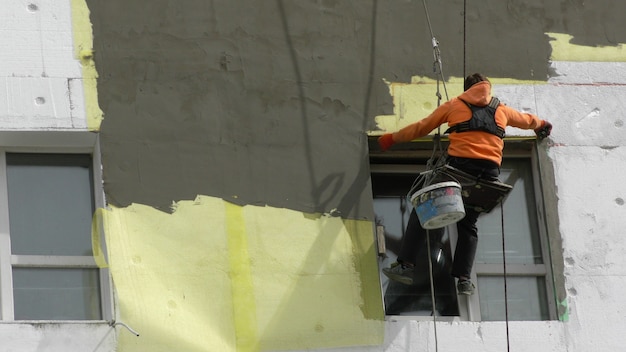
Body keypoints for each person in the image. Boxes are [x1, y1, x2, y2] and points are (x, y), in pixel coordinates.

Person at [377, 73, 552, 295]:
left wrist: (392, 138)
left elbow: (422, 127)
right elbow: (527, 120)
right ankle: (463, 279)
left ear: (466, 89)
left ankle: (406, 265)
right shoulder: (502, 110)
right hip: (488, 175)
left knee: (422, 210)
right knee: (469, 225)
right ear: (487, 88)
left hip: (460, 169)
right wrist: (542, 125)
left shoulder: (454, 105)